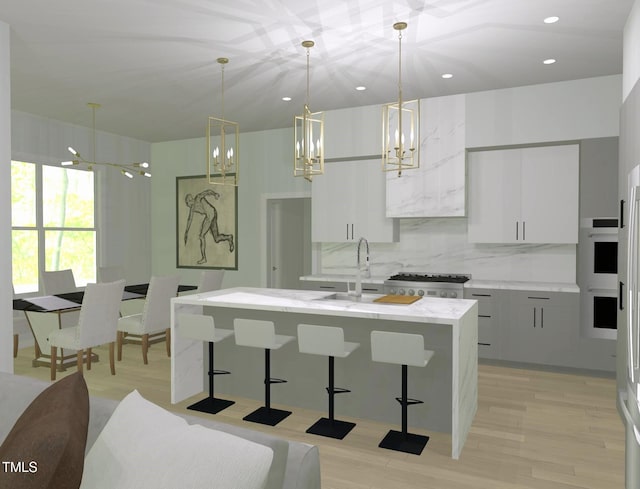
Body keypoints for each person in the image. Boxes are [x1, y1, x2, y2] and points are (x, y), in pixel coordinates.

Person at [184, 188, 234, 264]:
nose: (187, 205)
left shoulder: (198, 197)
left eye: (187, 203)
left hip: (211, 214)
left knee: (201, 236)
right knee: (216, 239)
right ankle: (229, 237)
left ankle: (204, 258)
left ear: (190, 200)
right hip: (211, 215)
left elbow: (207, 192)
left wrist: (214, 194)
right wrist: (186, 232)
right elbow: (189, 219)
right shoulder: (192, 208)